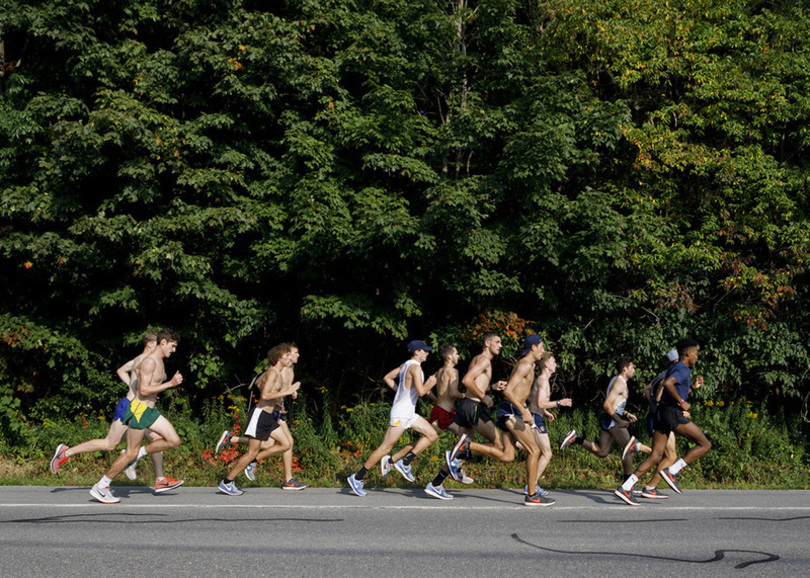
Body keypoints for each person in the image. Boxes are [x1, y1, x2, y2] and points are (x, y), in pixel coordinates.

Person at [50, 331, 175, 488]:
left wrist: (138, 387)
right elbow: (138, 374)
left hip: (139, 408)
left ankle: (160, 479)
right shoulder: (145, 359)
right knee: (110, 444)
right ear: (151, 344)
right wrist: (142, 389)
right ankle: (66, 453)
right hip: (132, 408)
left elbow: (121, 370)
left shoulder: (144, 359)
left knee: (156, 439)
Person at [455, 334, 554, 506]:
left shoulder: (528, 365)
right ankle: (531, 494)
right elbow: (508, 391)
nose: (543, 351)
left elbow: (518, 389)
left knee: (508, 455)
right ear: (533, 347)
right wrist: (524, 410)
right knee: (534, 451)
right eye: (542, 347)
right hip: (512, 411)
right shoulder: (525, 365)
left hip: (511, 410)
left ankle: (468, 447)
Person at [89, 328, 185, 503]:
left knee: (174, 440)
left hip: (149, 410)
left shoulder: (160, 360)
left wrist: (157, 390)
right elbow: (143, 390)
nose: (174, 350)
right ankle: (101, 486)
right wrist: (170, 384)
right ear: (163, 342)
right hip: (139, 410)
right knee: (129, 454)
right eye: (172, 346)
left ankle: (139, 453)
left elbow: (149, 388)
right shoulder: (149, 362)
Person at [615, 338, 711, 506]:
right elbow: (668, 384)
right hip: (671, 413)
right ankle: (672, 471)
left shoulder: (675, 368)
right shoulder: (683, 368)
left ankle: (626, 486)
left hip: (661, 413)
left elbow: (673, 387)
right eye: (695, 353)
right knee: (704, 444)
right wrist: (682, 402)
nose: (697, 356)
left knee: (656, 455)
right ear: (687, 353)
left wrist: (692, 388)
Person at [347, 340, 438, 497]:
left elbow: (388, 377)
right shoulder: (415, 367)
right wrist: (431, 382)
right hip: (401, 413)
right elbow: (422, 392)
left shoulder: (405, 365)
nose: (427, 353)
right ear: (417, 352)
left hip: (408, 412)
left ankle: (404, 462)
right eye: (425, 350)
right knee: (385, 448)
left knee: (431, 435)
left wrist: (400, 393)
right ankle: (357, 477)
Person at [214, 343, 306, 490]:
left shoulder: (280, 372)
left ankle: (249, 458)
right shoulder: (273, 372)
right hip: (260, 415)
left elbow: (268, 391)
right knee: (252, 453)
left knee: (286, 444)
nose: (291, 357)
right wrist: (287, 392)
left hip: (269, 417)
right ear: (278, 357)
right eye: (287, 355)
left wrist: (282, 396)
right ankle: (227, 482)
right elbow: (265, 395)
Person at [559, 356, 651, 490]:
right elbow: (607, 404)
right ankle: (630, 482)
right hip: (613, 420)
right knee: (629, 447)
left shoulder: (617, 380)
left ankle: (575, 438)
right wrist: (620, 420)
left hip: (610, 418)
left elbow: (615, 404)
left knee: (603, 452)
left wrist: (626, 414)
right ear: (625, 369)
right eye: (632, 367)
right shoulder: (619, 384)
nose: (634, 370)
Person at [523, 352, 571, 497]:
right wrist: (559, 403)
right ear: (546, 364)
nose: (555, 364)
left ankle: (532, 484)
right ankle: (532, 485)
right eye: (553, 361)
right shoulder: (543, 380)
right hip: (535, 418)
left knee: (533, 449)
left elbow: (533, 399)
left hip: (537, 416)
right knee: (547, 453)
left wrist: (545, 412)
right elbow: (539, 402)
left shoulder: (542, 380)